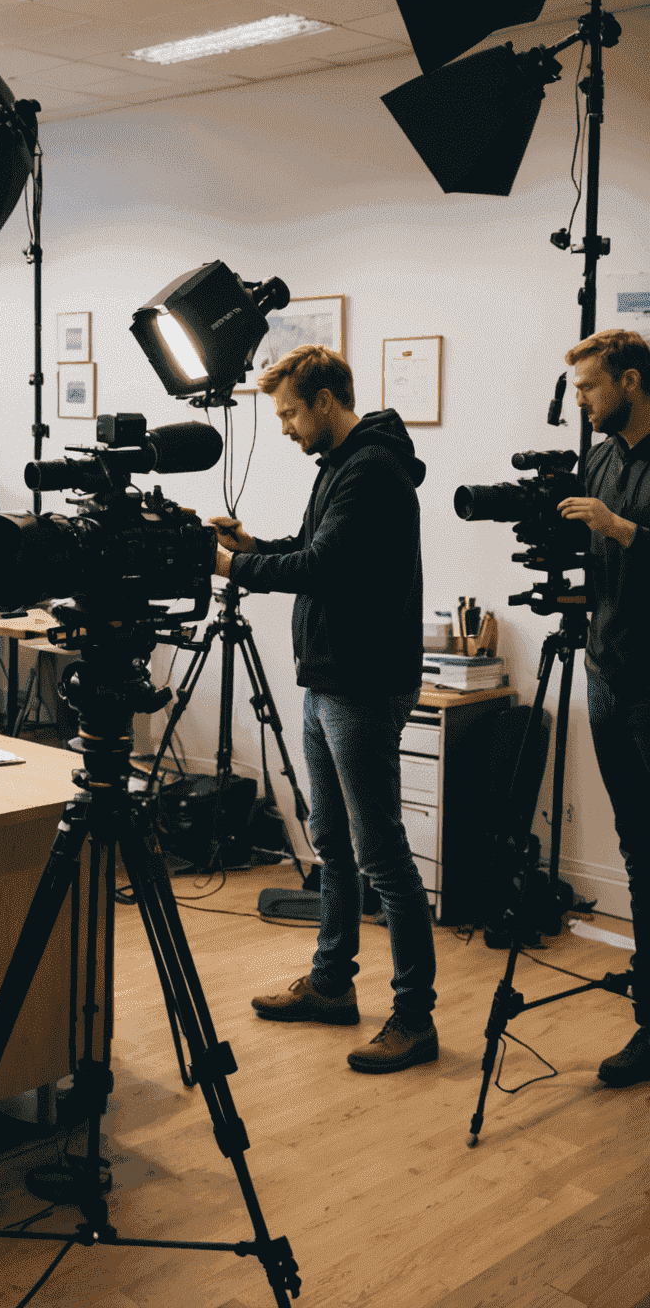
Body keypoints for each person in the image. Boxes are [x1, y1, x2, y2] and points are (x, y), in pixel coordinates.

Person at [211, 343, 435, 1075]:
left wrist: (227, 567)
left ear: (327, 403)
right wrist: (250, 547)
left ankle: (414, 1017)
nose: (284, 428)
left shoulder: (370, 469)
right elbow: (311, 548)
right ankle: (333, 985)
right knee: (332, 844)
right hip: (329, 681)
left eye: (289, 414)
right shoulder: (342, 466)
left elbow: (319, 568)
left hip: (362, 687)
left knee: (383, 857)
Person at [558, 329, 650, 1089]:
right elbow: (601, 566)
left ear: (629, 380)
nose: (580, 401)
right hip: (606, 670)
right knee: (636, 846)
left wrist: (622, 529)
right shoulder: (600, 455)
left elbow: (626, 542)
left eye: (589, 388)